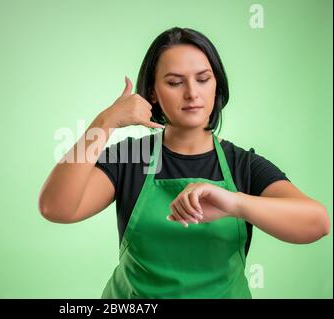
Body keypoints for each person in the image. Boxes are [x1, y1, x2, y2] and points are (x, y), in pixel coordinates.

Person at [38, 27, 330, 299]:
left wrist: (235, 203)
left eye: (203, 79)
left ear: (217, 84)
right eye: (175, 82)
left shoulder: (243, 165)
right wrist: (106, 121)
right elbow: (57, 207)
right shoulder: (129, 159)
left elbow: (317, 223)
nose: (192, 93)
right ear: (152, 91)